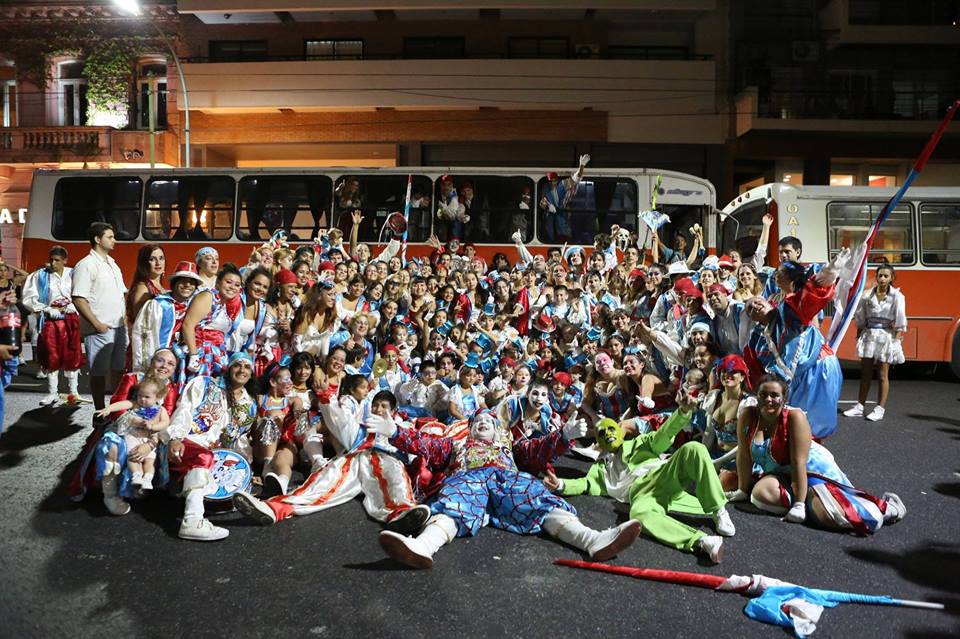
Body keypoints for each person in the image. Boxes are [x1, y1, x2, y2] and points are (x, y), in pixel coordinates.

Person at [368, 408, 639, 570]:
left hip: (507, 481)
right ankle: (423, 546)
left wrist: (564, 436)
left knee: (538, 498)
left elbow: (537, 448)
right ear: (470, 430)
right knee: (454, 502)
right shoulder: (454, 447)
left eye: (489, 422)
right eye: (477, 423)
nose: (483, 424)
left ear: (498, 431)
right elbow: (423, 442)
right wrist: (394, 431)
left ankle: (593, 540)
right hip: (468, 480)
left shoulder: (510, 448)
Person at [545, 388, 732, 563]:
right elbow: (584, 484)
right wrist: (560, 484)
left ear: (620, 431)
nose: (608, 433)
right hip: (641, 495)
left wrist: (682, 412)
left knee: (694, 448)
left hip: (662, 474)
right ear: (599, 441)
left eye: (611, 428)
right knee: (638, 514)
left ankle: (718, 509)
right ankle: (702, 541)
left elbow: (663, 435)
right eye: (602, 432)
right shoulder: (600, 469)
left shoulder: (640, 442)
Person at [230, 389, 432, 536]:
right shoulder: (361, 427)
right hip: (354, 460)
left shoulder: (401, 428)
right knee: (323, 483)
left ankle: (403, 515)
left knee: (395, 479)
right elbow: (340, 421)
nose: (378, 409)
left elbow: (416, 448)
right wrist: (326, 398)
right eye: (376, 405)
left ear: (394, 410)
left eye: (384, 406)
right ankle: (273, 509)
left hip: (386, 460)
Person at [728, 375, 906, 535]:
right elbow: (744, 455)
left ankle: (887, 509)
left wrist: (798, 504)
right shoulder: (748, 415)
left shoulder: (794, 417)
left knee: (833, 517)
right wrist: (743, 490)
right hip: (780, 471)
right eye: (763, 395)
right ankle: (808, 502)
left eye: (775, 395)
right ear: (756, 396)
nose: (768, 400)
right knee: (762, 494)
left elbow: (799, 463)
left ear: (784, 398)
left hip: (812, 470)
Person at [163, 352, 257, 541]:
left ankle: (200, 506)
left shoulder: (249, 404)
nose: (242, 370)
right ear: (229, 368)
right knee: (203, 457)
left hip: (216, 453)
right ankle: (192, 521)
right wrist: (175, 437)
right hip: (187, 442)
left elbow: (239, 439)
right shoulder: (204, 384)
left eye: (247, 367)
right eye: (238, 365)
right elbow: (184, 410)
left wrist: (246, 469)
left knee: (230, 479)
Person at [71, 222, 128, 411]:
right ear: (97, 239)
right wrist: (97, 324)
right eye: (110, 237)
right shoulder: (86, 265)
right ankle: (98, 410)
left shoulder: (113, 263)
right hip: (100, 329)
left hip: (119, 327)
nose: (114, 240)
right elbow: (79, 298)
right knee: (98, 373)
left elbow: (121, 294)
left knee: (119, 370)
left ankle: (116, 409)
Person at [844, 264, 907, 422]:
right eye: (880, 275)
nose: (883, 279)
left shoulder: (897, 297)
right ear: (876, 277)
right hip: (869, 335)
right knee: (865, 373)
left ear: (892, 278)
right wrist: (859, 336)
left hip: (886, 337)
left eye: (886, 276)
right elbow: (860, 317)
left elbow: (900, 321)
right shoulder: (866, 295)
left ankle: (880, 408)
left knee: (882, 374)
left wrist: (896, 342)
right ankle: (860, 406)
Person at [22, 245, 83, 405]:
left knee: (72, 354)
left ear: (65, 260)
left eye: (57, 260)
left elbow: (85, 293)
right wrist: (46, 308)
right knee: (51, 355)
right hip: (51, 321)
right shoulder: (40, 276)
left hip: (71, 321)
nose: (53, 263)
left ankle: (73, 392)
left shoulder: (74, 274)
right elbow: (29, 297)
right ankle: (52, 393)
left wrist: (75, 306)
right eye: (51, 260)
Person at [94, 376, 170, 493]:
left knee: (150, 461)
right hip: (133, 435)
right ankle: (136, 475)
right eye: (140, 396)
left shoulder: (160, 410)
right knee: (133, 456)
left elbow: (165, 422)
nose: (142, 399)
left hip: (149, 438)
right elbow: (123, 404)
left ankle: (147, 478)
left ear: (158, 397)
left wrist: (153, 427)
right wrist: (108, 409)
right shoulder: (136, 405)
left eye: (147, 397)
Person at [131, 261, 201, 374]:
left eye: (191, 282)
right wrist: (144, 368)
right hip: (158, 364)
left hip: (182, 363)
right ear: (174, 283)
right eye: (183, 280)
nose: (187, 285)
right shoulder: (157, 304)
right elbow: (142, 336)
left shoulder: (195, 307)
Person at [180, 264, 245, 380]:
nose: (232, 287)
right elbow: (188, 325)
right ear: (218, 283)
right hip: (201, 353)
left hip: (218, 355)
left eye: (237, 285)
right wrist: (194, 355)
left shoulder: (228, 304)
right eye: (228, 282)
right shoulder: (207, 296)